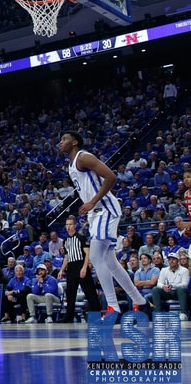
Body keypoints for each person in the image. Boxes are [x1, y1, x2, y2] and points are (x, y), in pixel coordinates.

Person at [59, 130, 148, 316]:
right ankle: (141, 302)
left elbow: (112, 177)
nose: (61, 142)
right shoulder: (71, 165)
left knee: (96, 256)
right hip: (96, 213)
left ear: (75, 142)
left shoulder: (83, 158)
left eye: (64, 139)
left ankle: (113, 308)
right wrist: (88, 206)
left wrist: (92, 201)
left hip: (105, 208)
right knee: (110, 261)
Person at [57, 216, 102, 322]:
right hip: (71, 268)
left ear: (75, 226)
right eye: (67, 225)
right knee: (70, 294)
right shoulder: (66, 240)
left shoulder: (81, 237)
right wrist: (61, 270)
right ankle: (69, 317)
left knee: (90, 292)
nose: (68, 227)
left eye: (70, 224)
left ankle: (98, 316)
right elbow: (67, 257)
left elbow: (87, 253)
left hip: (81, 265)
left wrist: (84, 267)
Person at [151, 252, 189, 320]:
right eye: (169, 259)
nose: (171, 261)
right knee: (155, 289)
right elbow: (159, 283)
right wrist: (163, 287)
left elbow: (185, 284)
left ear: (178, 260)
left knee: (181, 289)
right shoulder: (164, 270)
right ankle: (158, 314)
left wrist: (173, 285)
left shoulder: (184, 270)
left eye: (173, 259)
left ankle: (183, 313)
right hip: (167, 291)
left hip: (179, 292)